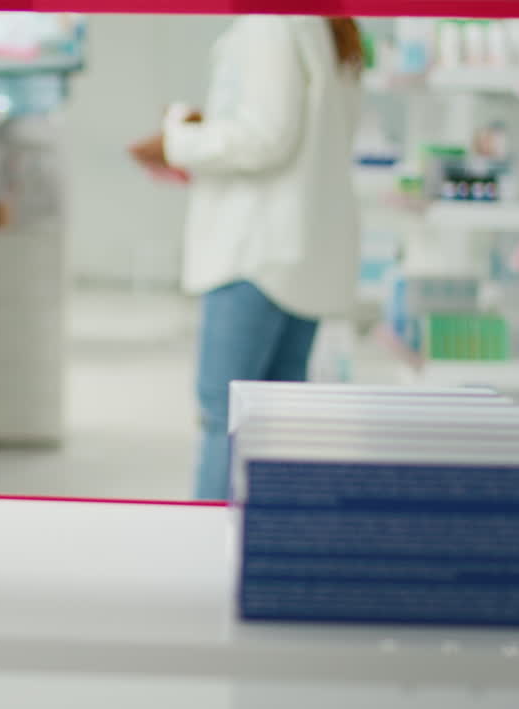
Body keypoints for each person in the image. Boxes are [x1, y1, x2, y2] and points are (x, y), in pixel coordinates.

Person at [130, 17, 363, 501]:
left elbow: (263, 139)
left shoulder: (270, 25)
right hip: (300, 253)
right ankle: (267, 555)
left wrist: (176, 142)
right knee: (277, 421)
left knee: (225, 416)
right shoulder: (321, 26)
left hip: (254, 257)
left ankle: (208, 555)